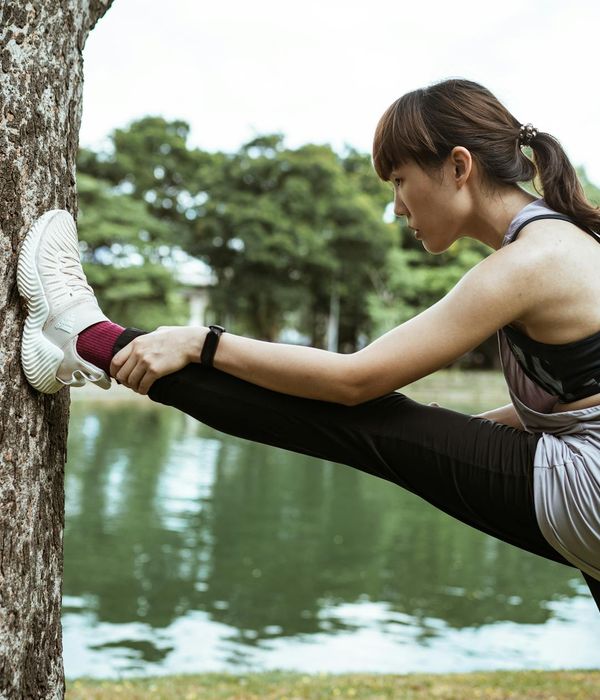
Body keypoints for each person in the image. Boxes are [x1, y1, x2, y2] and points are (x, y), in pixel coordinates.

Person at [17, 77, 600, 611]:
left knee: (368, 420)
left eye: (400, 180)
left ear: (458, 166)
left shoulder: (532, 260)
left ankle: (81, 335)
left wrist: (203, 342)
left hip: (586, 486)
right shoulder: (561, 245)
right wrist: (456, 430)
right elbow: (573, 404)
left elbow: (355, 381)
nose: (396, 206)